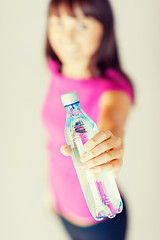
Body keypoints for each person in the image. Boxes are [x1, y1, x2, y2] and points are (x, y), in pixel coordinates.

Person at [41, 0, 136, 239]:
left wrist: (110, 148)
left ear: (104, 28)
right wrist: (50, 190)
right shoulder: (56, 70)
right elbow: (52, 143)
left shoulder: (114, 90)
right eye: (59, 22)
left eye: (82, 25)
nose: (68, 37)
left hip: (99, 221)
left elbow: (112, 125)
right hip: (62, 209)